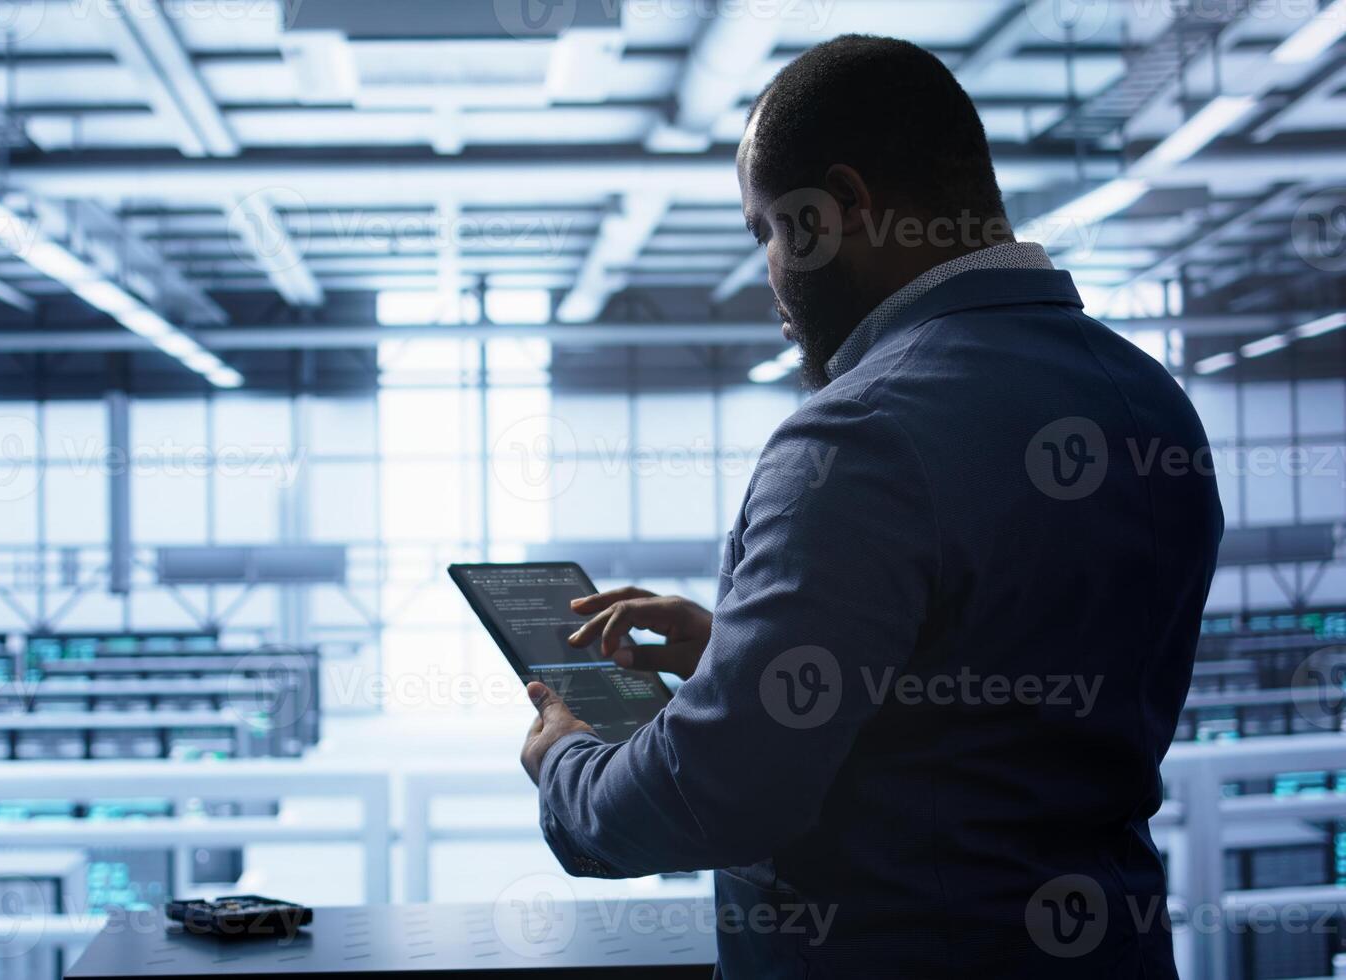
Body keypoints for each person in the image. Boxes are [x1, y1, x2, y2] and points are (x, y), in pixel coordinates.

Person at [519, 34, 1222, 978]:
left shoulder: (858, 434)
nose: (770, 275)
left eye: (767, 232)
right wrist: (739, 656)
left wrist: (566, 763)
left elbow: (717, 796)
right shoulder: (1147, 400)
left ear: (842, 206)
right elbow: (995, 696)